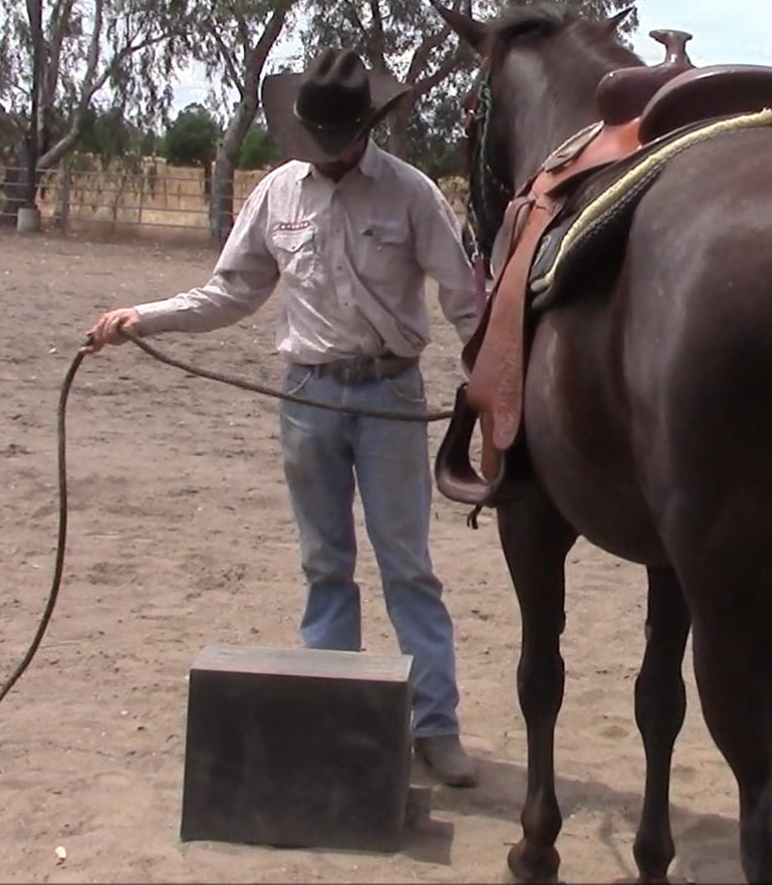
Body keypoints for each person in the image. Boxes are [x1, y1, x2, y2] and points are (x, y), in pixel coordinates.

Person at [87, 47, 483, 787]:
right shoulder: (278, 196)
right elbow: (230, 292)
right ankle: (334, 716)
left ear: (365, 128)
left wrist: (495, 388)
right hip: (307, 396)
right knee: (325, 563)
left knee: (408, 568)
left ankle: (436, 727)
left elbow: (466, 302)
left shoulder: (412, 195)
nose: (330, 155)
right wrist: (144, 318)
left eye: (341, 139)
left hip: (391, 394)